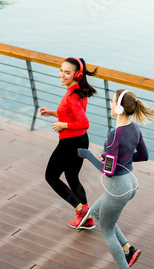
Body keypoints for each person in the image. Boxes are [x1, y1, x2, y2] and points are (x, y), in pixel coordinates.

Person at [78, 89, 154, 269]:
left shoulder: (114, 135)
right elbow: (143, 156)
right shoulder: (134, 128)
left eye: (112, 102)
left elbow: (107, 171)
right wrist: (116, 157)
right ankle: (129, 249)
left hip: (116, 187)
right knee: (97, 213)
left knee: (107, 230)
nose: (110, 104)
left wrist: (87, 155)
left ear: (119, 108)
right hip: (130, 182)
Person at [39, 57, 98, 229]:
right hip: (81, 140)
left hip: (70, 142)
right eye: (61, 70)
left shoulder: (72, 95)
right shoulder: (77, 90)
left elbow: (84, 122)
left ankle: (81, 210)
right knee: (72, 177)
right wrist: (52, 113)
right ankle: (87, 220)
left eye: (67, 72)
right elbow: (72, 114)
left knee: (50, 176)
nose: (62, 75)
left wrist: (63, 125)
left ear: (77, 74)